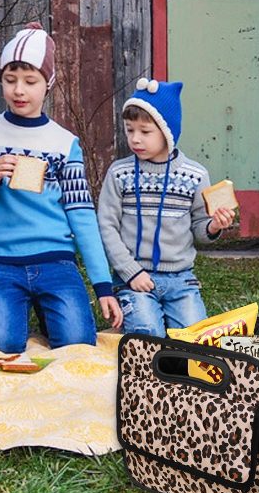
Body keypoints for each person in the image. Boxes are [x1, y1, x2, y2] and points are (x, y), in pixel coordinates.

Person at [0, 22, 122, 354]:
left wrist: (103, 285)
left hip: (56, 261)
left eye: (30, 82)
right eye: (10, 80)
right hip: (1, 261)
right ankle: (34, 311)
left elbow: (81, 215)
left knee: (78, 344)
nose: (19, 90)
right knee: (2, 346)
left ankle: (53, 311)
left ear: (47, 84)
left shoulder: (64, 144)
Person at [97, 78, 236, 337]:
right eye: (129, 130)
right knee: (147, 333)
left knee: (195, 339)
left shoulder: (195, 175)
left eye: (145, 131)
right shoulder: (119, 173)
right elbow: (106, 226)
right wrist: (129, 272)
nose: (135, 139)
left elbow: (198, 229)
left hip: (181, 281)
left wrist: (214, 225)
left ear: (168, 132)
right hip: (134, 279)